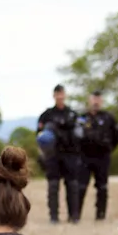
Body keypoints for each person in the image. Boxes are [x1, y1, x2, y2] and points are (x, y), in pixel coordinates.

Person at [36, 85, 82, 224]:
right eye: (57, 94)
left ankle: (73, 216)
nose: (60, 96)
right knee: (53, 186)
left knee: (72, 186)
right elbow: (39, 136)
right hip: (53, 156)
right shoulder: (47, 115)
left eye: (62, 93)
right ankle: (54, 217)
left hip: (70, 155)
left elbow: (80, 135)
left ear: (65, 95)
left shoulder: (73, 114)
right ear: (54, 95)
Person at [76, 90, 118, 221]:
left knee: (102, 187)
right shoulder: (82, 118)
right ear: (89, 101)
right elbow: (76, 137)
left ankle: (100, 216)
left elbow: (116, 137)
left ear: (101, 101)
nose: (96, 102)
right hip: (85, 157)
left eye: (98, 99)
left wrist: (108, 148)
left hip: (102, 157)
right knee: (81, 187)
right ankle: (76, 216)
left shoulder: (108, 118)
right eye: (93, 99)